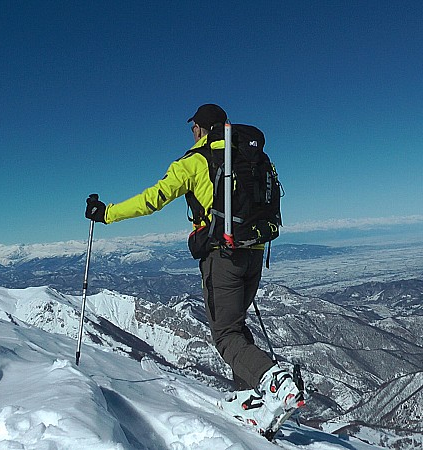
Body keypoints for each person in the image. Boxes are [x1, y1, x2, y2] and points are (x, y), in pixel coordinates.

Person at [84, 104, 303, 432]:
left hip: (223, 257)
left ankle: (275, 382)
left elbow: (152, 199)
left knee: (226, 336)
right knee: (237, 326)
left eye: (193, 128)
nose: (192, 132)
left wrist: (107, 214)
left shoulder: (193, 163)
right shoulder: (252, 158)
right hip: (254, 251)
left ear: (201, 128)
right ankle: (249, 402)